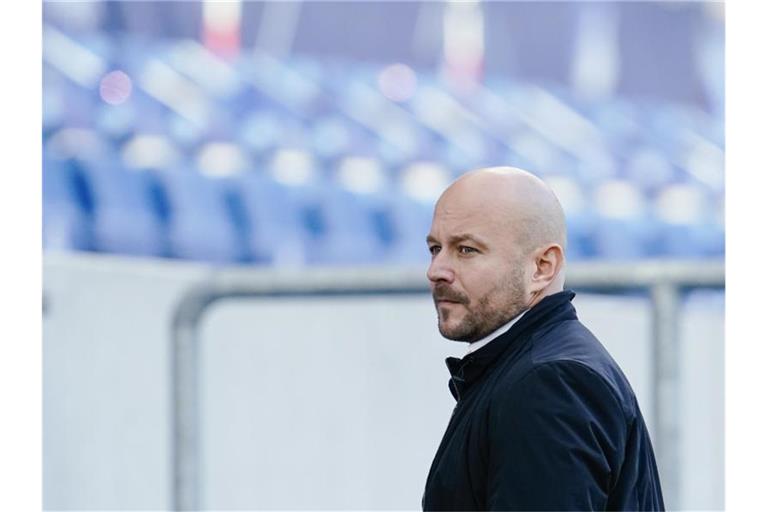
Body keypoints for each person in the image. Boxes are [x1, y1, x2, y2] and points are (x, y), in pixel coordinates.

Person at [421, 167, 665, 511]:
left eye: (466, 250)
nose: (436, 271)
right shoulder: (529, 369)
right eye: (435, 248)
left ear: (542, 267)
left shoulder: (549, 383)